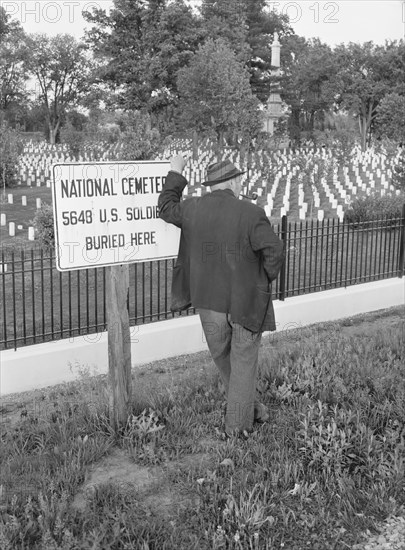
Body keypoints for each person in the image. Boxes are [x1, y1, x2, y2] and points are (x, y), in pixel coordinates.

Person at [158, 155, 285, 437]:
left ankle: (248, 409)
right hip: (245, 303)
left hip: (208, 304)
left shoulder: (192, 209)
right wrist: (262, 278)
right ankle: (237, 430)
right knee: (242, 361)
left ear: (211, 186)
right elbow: (274, 251)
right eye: (239, 180)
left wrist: (175, 171)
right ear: (233, 181)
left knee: (225, 359)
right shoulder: (251, 213)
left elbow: (165, 206)